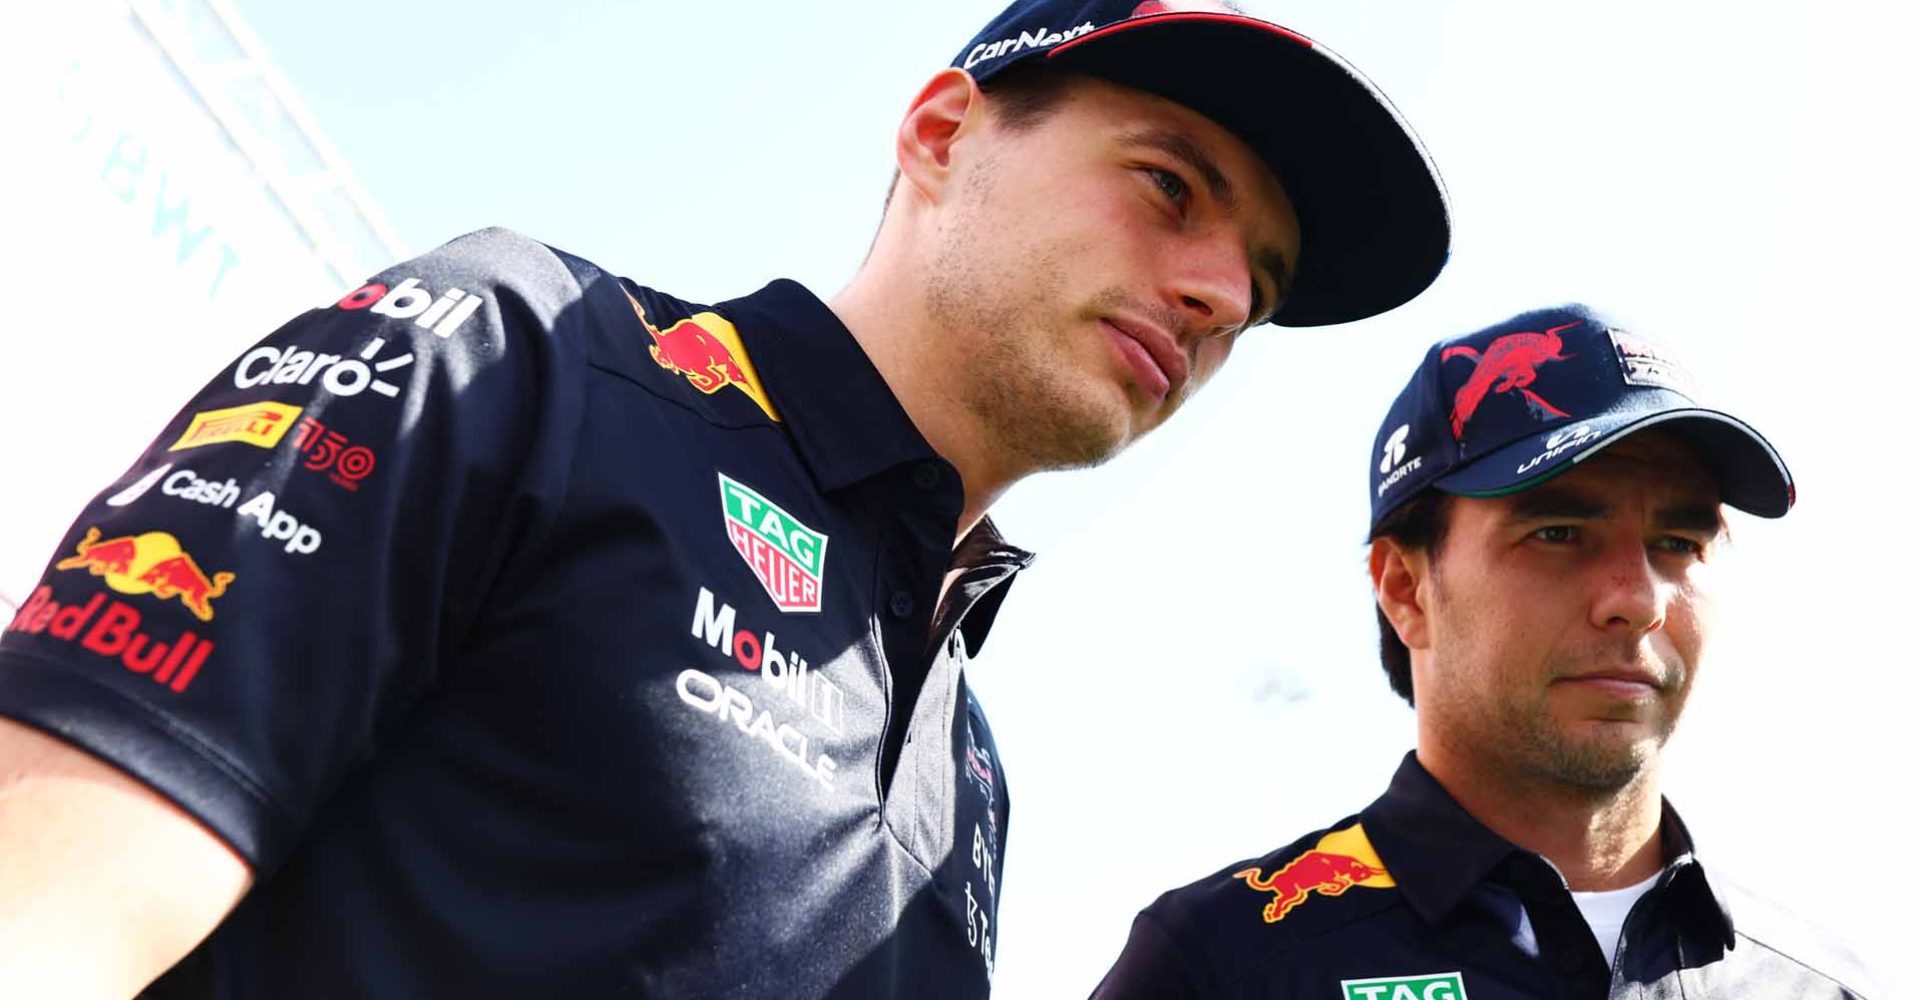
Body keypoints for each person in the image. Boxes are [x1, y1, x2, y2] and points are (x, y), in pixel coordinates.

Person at [0, 2, 1450, 998]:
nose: (1212, 294)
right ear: (942, 134)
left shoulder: (976, 769)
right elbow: (43, 917)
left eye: (1255, 288)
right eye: (1169, 186)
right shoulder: (522, 356)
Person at [1089, 305, 1883, 999]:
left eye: (1677, 544)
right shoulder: (1225, 964)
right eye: (1559, 534)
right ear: (1405, 587)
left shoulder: (1824, 985)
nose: (1636, 600)